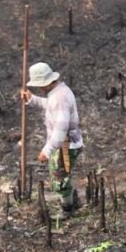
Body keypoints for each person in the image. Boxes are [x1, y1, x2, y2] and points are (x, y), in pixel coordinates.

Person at [21, 62, 84, 220]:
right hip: (65, 142)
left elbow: (61, 128)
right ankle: (73, 201)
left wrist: (47, 150)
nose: (40, 88)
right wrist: (32, 99)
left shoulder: (59, 98)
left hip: (65, 145)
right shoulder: (58, 93)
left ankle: (67, 209)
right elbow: (50, 106)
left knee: (59, 178)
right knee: (62, 175)